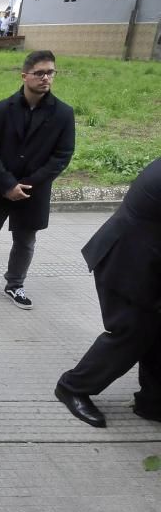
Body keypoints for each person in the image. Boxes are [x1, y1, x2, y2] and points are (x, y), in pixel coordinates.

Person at [0, 51, 75, 308]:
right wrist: (7, 184)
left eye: (50, 73)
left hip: (33, 189)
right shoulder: (1, 110)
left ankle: (15, 284)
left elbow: (62, 155)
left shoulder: (63, 114)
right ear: (24, 76)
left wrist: (29, 183)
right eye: (40, 73)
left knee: (25, 240)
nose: (46, 78)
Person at [55, 158, 161, 428]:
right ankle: (73, 387)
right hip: (129, 261)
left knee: (155, 333)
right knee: (131, 331)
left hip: (147, 259)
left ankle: (153, 403)